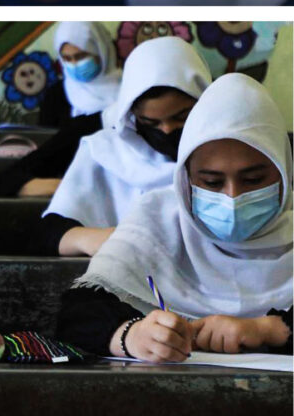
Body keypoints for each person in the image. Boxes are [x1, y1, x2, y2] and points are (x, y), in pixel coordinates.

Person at [58, 73, 293, 361]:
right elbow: (78, 313)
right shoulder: (157, 218)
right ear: (186, 181)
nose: (232, 198)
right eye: (211, 183)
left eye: (254, 179)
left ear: (285, 171)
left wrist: (272, 329)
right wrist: (131, 336)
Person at [34, 36, 211, 257]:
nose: (166, 130)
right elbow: (50, 231)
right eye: (150, 123)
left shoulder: (226, 150)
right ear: (131, 115)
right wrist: (94, 239)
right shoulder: (103, 153)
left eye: (181, 117)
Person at [0, 21, 121, 198]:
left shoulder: (130, 93)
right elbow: (49, 149)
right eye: (67, 58)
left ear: (101, 51)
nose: (74, 64)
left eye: (81, 56)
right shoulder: (59, 96)